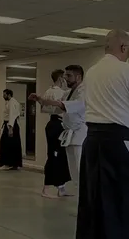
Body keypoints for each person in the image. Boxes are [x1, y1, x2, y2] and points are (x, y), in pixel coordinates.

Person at [76, 30, 129, 239]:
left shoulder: (91, 72)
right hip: (121, 145)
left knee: (94, 201)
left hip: (92, 143)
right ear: (123, 47)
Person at [45, 65, 87, 193]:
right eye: (65, 75)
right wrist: (43, 101)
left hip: (80, 134)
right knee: (73, 170)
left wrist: (52, 102)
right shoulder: (68, 93)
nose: (66, 78)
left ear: (78, 77)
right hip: (69, 134)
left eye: (69, 75)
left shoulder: (84, 91)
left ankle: (86, 197)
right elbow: (58, 108)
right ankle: (79, 195)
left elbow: (75, 105)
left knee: (81, 169)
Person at [29, 69, 71, 198]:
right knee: (55, 155)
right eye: (65, 77)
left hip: (54, 124)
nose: (66, 80)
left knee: (61, 156)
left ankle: (61, 188)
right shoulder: (61, 93)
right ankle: (46, 188)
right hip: (57, 125)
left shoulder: (48, 92)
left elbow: (44, 107)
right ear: (60, 79)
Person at [0, 89, 23, 171]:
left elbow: (12, 115)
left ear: (9, 95)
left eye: (4, 94)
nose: (3, 96)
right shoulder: (11, 102)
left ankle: (7, 164)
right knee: (13, 144)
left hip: (11, 125)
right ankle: (14, 164)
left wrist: (10, 128)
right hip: (11, 124)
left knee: (6, 144)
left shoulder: (12, 102)